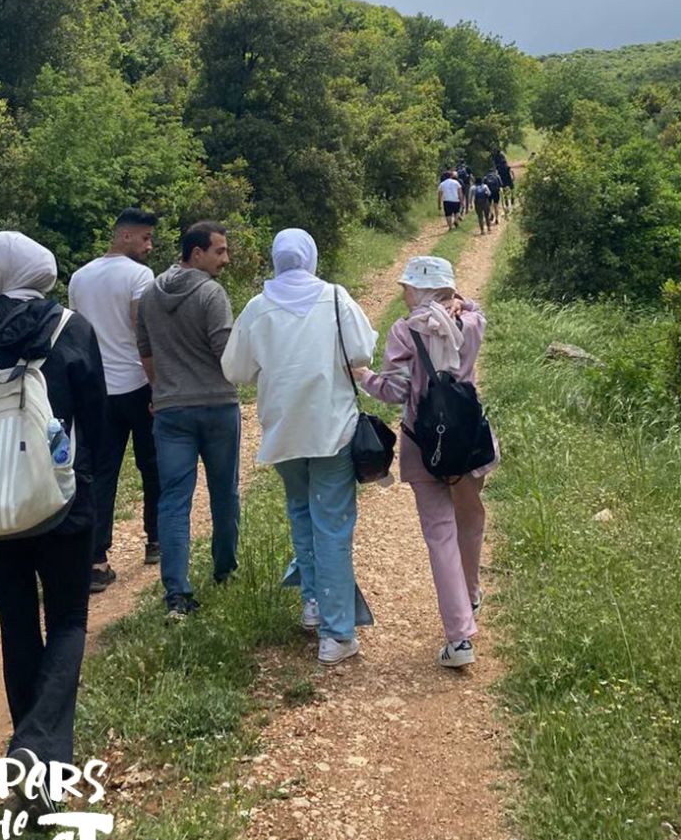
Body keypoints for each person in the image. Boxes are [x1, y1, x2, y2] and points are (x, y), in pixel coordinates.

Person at [0, 231, 107, 777]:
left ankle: (30, 753)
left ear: (2, 274)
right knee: (67, 621)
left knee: (16, 623)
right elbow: (99, 430)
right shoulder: (74, 329)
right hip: (62, 500)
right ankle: (40, 748)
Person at [222, 229, 377, 665]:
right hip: (332, 428)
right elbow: (363, 350)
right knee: (332, 524)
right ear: (310, 258)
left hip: (284, 430)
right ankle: (336, 633)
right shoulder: (334, 297)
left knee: (301, 513)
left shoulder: (258, 306)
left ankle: (313, 602)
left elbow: (235, 369)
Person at [356, 256, 496, 669]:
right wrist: (460, 302)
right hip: (469, 438)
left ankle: (460, 638)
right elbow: (477, 309)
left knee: (440, 535)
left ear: (420, 289)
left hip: (425, 444)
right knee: (470, 519)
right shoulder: (470, 325)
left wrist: (364, 376)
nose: (402, 293)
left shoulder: (405, 331)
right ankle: (470, 594)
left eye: (407, 286)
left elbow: (396, 391)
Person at [136, 221, 240, 619]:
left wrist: (161, 389)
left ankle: (177, 593)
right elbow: (224, 352)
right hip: (216, 406)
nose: (225, 259)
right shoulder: (211, 294)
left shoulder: (150, 294)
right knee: (224, 492)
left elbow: (145, 350)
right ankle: (224, 569)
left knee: (174, 499)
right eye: (220, 251)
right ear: (196, 254)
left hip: (171, 410)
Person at [69, 207, 161, 593]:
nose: (150, 246)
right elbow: (145, 335)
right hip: (137, 385)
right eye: (145, 238)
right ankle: (156, 541)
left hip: (96, 391)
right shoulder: (140, 276)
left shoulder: (79, 277)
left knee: (100, 474)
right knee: (152, 465)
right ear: (125, 236)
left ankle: (96, 558)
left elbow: (75, 333)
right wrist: (158, 385)